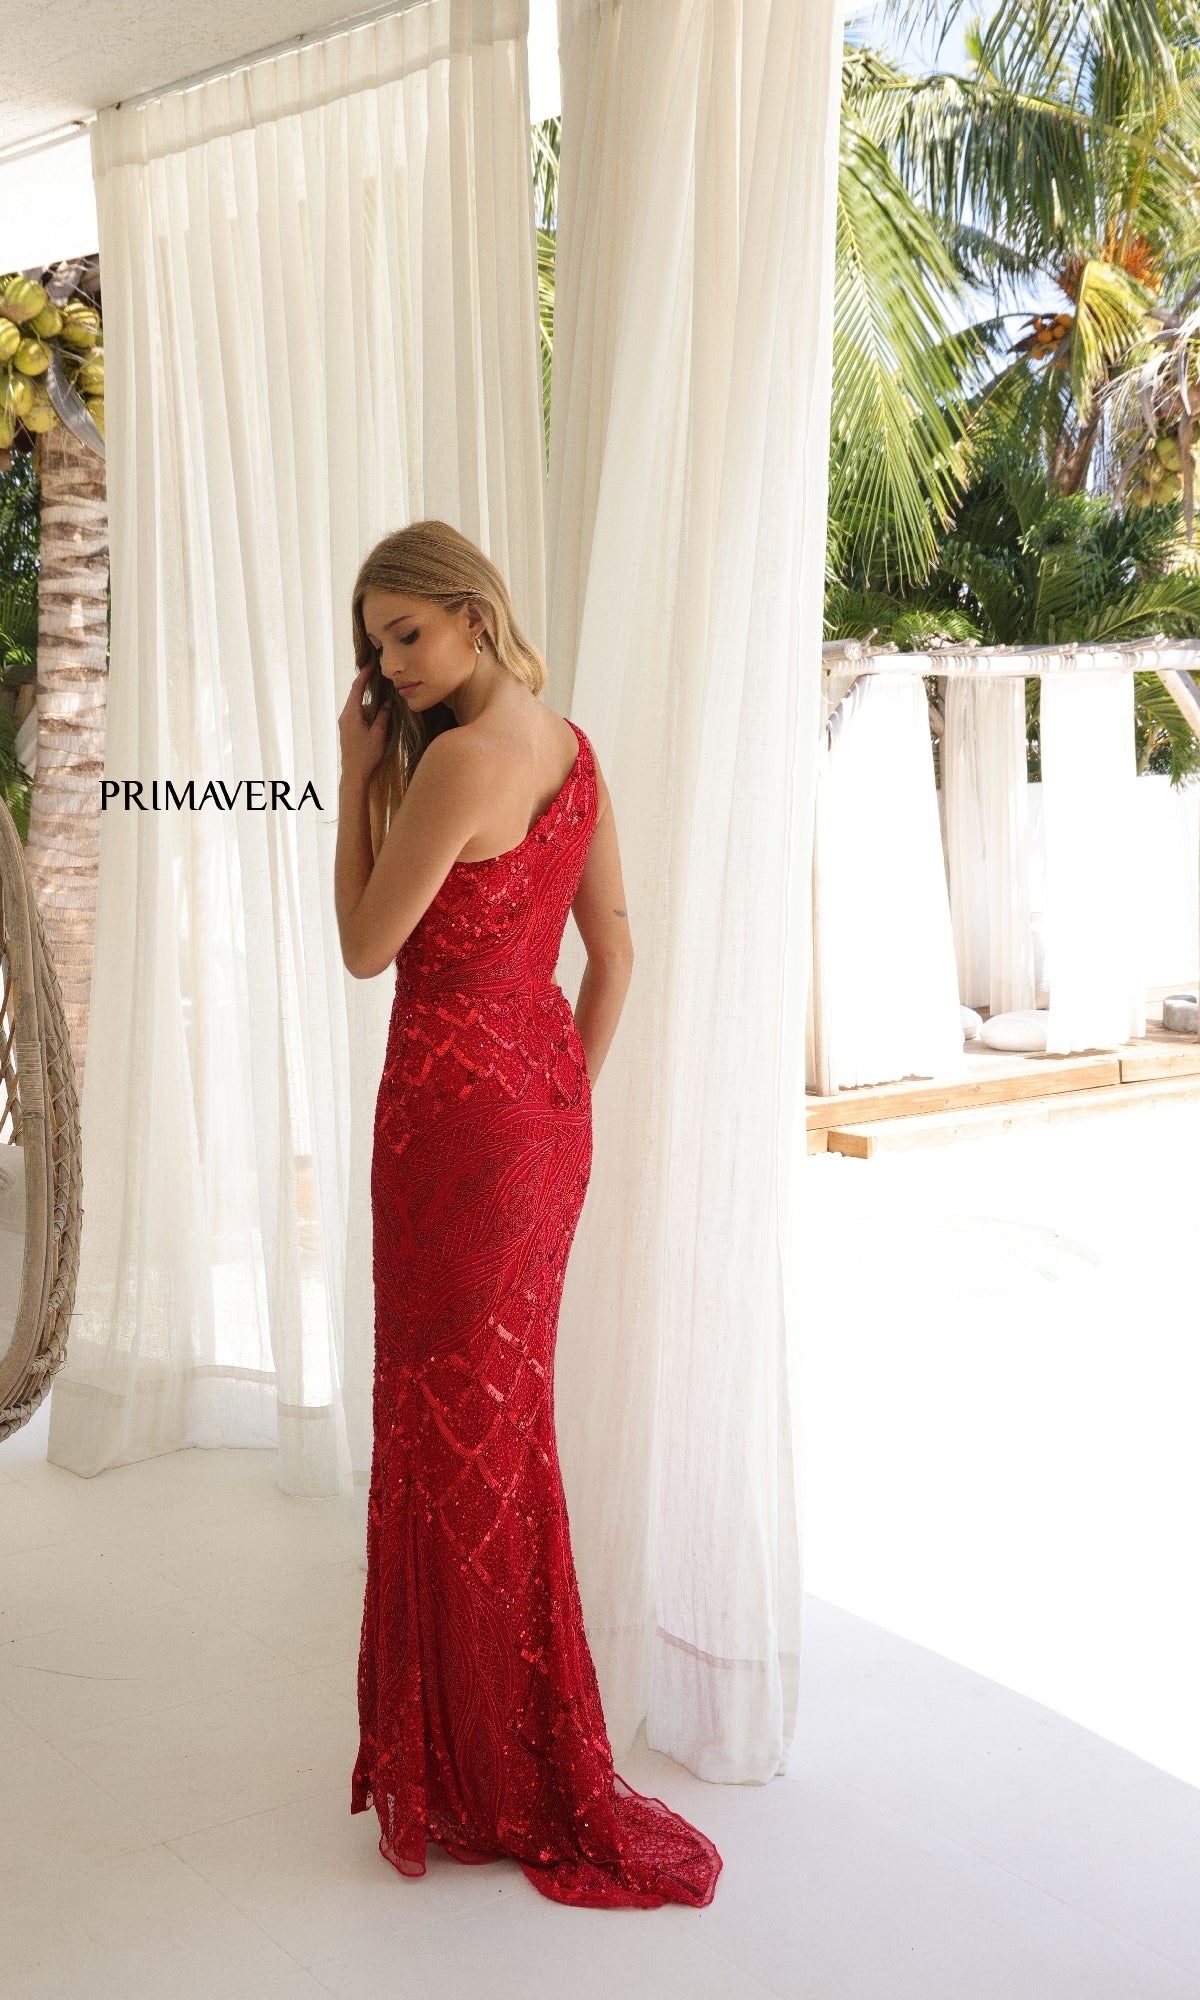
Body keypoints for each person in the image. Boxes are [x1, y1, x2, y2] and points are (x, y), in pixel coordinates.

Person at [334, 518, 722, 1909]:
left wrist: (351, 775)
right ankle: (489, 1743)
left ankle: (480, 1768)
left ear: (473, 618)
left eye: (408, 635)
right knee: (497, 1436)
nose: (393, 665)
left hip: (447, 1127)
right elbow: (611, 954)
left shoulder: (453, 764)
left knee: (450, 1442)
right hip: (537, 1128)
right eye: (376, 647)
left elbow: (366, 948)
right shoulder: (576, 749)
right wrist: (565, 1098)